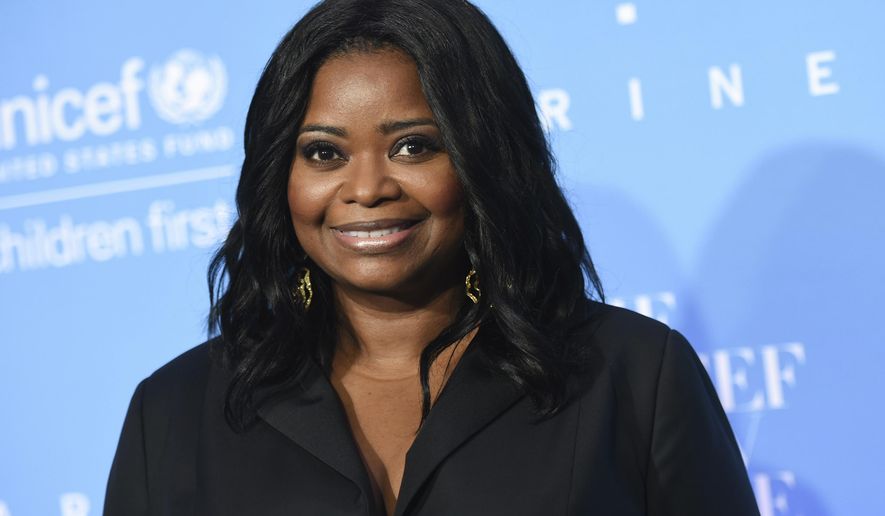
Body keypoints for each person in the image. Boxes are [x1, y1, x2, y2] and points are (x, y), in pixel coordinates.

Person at [104, 0, 761, 514]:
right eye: (323, 153)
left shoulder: (632, 376)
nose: (366, 189)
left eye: (412, 146)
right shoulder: (173, 413)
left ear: (484, 159)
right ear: (282, 176)